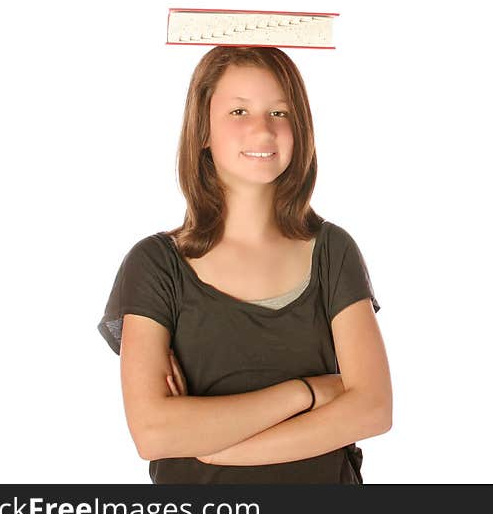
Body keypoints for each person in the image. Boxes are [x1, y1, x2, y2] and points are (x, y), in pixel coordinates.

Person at [97, 46, 392, 483]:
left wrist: (221, 448)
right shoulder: (156, 266)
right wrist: (309, 392)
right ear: (203, 131)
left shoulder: (334, 252)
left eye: (279, 113)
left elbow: (373, 408)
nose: (262, 130)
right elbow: (154, 432)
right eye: (239, 111)